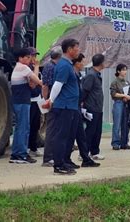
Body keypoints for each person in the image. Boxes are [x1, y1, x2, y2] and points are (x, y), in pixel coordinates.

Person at [44, 38, 81, 175]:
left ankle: (62, 162)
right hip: (64, 106)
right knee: (61, 136)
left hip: (69, 106)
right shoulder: (64, 65)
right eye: (77, 48)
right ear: (70, 49)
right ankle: (58, 165)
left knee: (64, 135)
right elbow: (57, 85)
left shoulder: (66, 64)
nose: (78, 51)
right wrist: (51, 100)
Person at [9, 48, 43, 164]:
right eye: (27, 57)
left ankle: (18, 153)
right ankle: (20, 154)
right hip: (22, 102)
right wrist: (37, 67)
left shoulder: (19, 68)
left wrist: (34, 81)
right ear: (20, 58)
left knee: (21, 128)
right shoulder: (23, 68)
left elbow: (32, 85)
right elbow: (37, 81)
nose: (30, 59)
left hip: (20, 101)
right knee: (23, 128)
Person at [73, 53, 100, 167]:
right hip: (75, 107)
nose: (84, 64)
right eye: (82, 62)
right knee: (77, 134)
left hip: (79, 108)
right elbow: (84, 92)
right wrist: (81, 103)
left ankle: (86, 158)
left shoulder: (79, 74)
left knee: (81, 135)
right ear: (77, 63)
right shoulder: (87, 75)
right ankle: (66, 159)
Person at [82, 53, 105, 160]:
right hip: (91, 107)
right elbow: (85, 91)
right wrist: (83, 105)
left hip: (98, 107)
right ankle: (84, 153)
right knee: (90, 131)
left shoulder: (97, 75)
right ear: (101, 63)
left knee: (97, 131)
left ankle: (95, 151)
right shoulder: (91, 75)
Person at [42, 48, 62, 166]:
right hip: (52, 100)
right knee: (52, 128)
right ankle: (48, 157)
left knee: (54, 128)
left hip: (52, 99)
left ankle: (52, 155)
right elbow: (45, 86)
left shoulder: (48, 66)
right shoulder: (52, 67)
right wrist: (47, 100)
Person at [110, 64, 130, 150]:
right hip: (118, 103)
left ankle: (124, 142)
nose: (125, 72)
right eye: (123, 70)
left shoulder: (127, 82)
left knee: (126, 123)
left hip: (126, 104)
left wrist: (129, 97)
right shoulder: (115, 82)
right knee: (117, 123)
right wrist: (123, 96)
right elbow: (113, 94)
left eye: (125, 70)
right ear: (118, 71)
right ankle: (115, 143)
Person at [27, 47, 43, 157]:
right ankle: (28, 147)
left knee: (36, 125)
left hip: (38, 99)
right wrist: (36, 67)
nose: (35, 58)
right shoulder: (27, 68)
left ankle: (33, 147)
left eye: (35, 55)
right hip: (29, 100)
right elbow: (33, 82)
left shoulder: (35, 68)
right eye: (33, 55)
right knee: (29, 125)